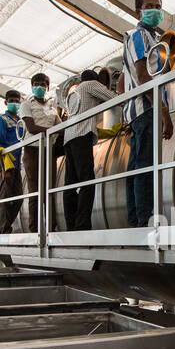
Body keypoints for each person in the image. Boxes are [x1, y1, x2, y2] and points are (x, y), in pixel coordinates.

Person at [122, 0, 174, 228]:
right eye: (150, 6)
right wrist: (164, 111)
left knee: (137, 166)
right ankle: (144, 221)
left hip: (141, 110)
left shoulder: (152, 38)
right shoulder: (138, 36)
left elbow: (123, 81)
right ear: (138, 11)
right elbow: (143, 77)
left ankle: (137, 220)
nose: (155, 10)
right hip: (146, 109)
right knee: (145, 166)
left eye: (158, 6)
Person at [63, 68, 116, 231]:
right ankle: (82, 224)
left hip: (69, 138)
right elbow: (112, 98)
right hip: (82, 135)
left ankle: (71, 224)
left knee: (69, 184)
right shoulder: (91, 85)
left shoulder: (73, 93)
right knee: (87, 181)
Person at [19, 72, 64, 232]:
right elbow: (31, 128)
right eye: (36, 84)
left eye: (43, 84)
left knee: (49, 190)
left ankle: (51, 227)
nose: (40, 87)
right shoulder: (26, 105)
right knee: (35, 191)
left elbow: (61, 128)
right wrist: (53, 131)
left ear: (48, 87)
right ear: (32, 86)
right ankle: (34, 229)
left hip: (48, 151)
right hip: (33, 151)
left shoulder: (51, 108)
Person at [0, 90, 26, 234]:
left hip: (17, 163)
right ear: (6, 102)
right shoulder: (1, 120)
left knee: (18, 198)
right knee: (5, 197)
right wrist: (4, 168)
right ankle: (2, 229)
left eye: (17, 101)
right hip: (7, 163)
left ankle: (6, 226)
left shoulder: (20, 121)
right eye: (11, 100)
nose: (14, 103)